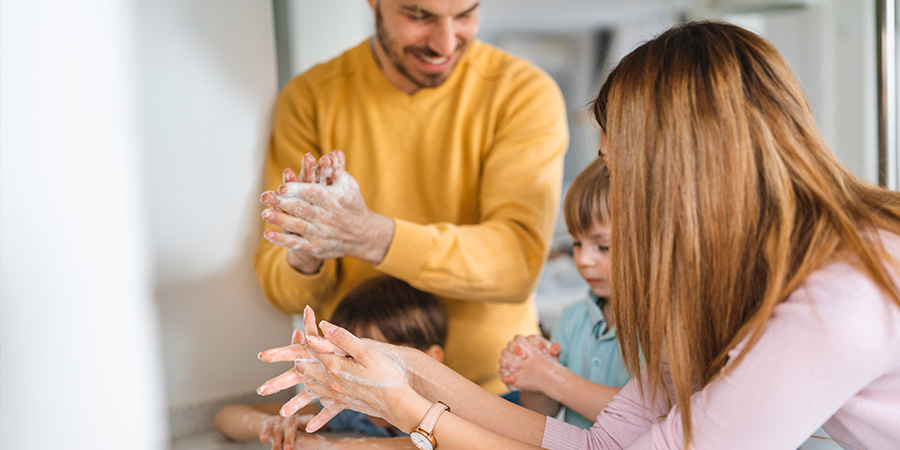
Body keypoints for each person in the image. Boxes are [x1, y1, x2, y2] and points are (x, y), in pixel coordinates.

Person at [256, 20, 900, 449]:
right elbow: (604, 443)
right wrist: (409, 374)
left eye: (621, 173)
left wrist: (408, 410)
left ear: (680, 174)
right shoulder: (723, 286)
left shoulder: (838, 296)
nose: (617, 201)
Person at [254, 0, 568, 396]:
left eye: (465, 14)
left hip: (493, 390)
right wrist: (305, 253)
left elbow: (516, 263)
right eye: (419, 16)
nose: (445, 43)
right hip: (358, 397)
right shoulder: (310, 98)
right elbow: (281, 292)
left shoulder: (523, 93)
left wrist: (373, 236)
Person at [215, 276, 448, 450]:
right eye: (348, 357)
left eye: (381, 358)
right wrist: (267, 425)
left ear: (430, 360)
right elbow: (226, 417)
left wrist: (329, 446)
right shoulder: (352, 410)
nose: (362, 372)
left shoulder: (447, 413)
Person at [499, 158, 629, 429]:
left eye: (602, 246)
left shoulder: (663, 332)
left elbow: (637, 418)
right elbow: (542, 413)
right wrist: (531, 377)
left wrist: (548, 375)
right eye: (577, 243)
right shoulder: (572, 319)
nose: (582, 259)